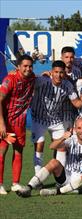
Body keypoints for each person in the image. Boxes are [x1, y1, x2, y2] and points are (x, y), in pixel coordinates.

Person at [16, 118, 82, 197]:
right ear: (75, 129)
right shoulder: (70, 140)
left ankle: (57, 192)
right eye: (79, 128)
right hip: (68, 177)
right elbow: (52, 146)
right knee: (54, 162)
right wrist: (62, 138)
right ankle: (29, 187)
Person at [31, 60, 82, 174]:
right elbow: (27, 81)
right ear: (51, 72)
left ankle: (61, 176)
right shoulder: (41, 81)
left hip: (55, 119)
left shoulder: (67, 85)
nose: (58, 75)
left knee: (62, 144)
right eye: (56, 72)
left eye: (61, 72)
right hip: (38, 118)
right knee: (40, 143)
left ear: (64, 73)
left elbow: (76, 103)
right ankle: (38, 175)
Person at [0, 55, 36, 195]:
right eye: (25, 66)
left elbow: (40, 77)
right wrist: (1, 123)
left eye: (30, 66)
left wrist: (47, 73)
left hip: (19, 122)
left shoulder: (32, 78)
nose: (28, 69)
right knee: (2, 151)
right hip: (5, 121)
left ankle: (15, 183)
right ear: (19, 67)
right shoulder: (10, 79)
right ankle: (0, 184)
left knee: (18, 151)